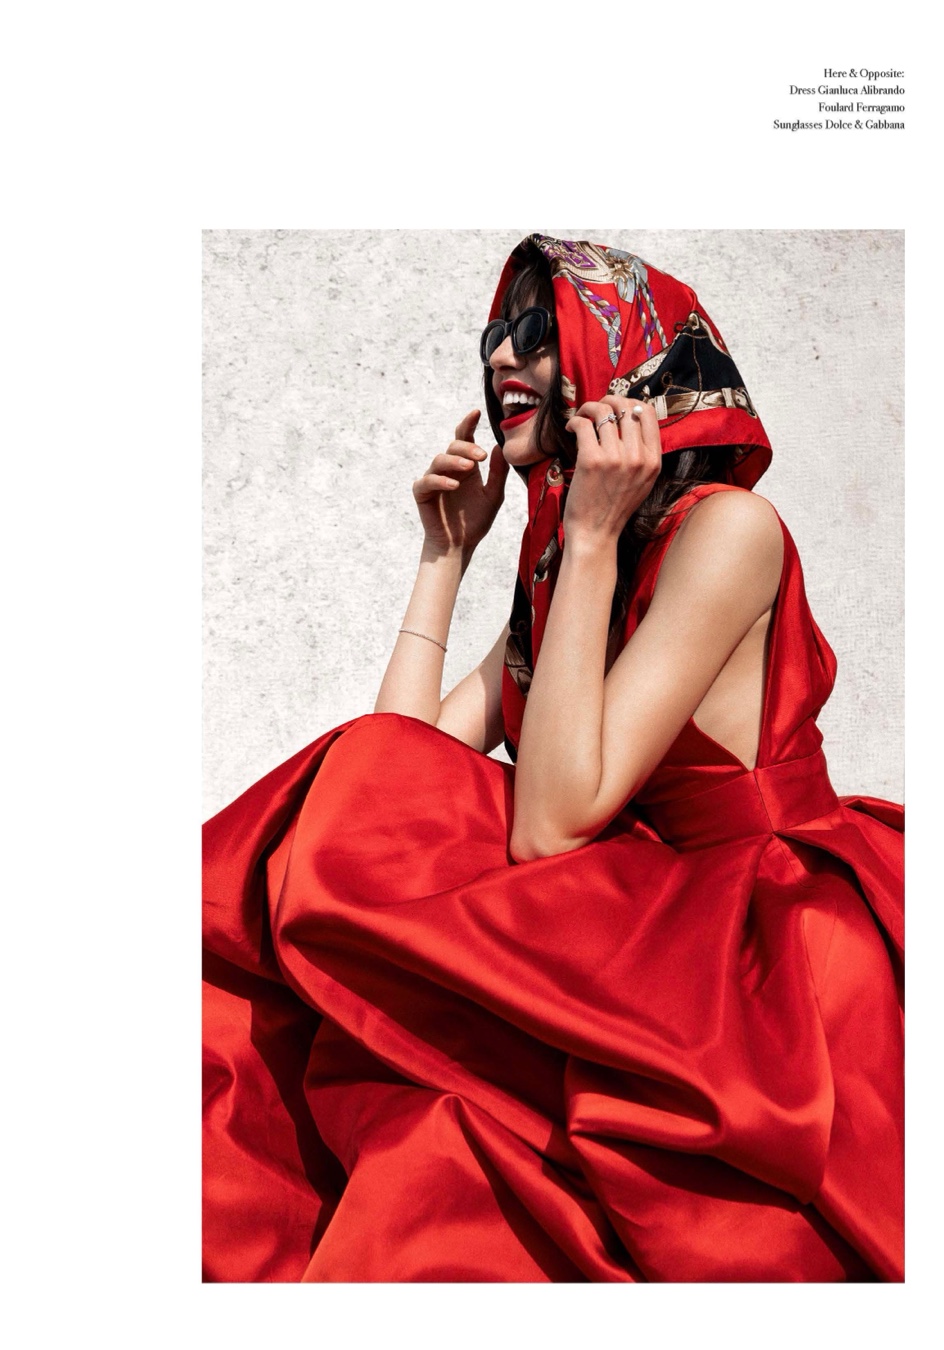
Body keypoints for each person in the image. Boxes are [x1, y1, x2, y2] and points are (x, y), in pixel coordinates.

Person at [202, 234, 903, 1283]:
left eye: (537, 332)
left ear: (622, 358)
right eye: (495, 335)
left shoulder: (731, 532)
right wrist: (446, 557)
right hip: (637, 920)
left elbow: (551, 824)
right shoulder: (572, 558)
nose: (501, 359)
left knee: (452, 1134)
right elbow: (389, 774)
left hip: (762, 948)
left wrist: (589, 542)